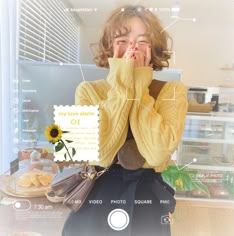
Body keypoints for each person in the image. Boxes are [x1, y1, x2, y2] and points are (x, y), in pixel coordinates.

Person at [62, 5, 188, 236]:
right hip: (96, 195)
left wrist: (139, 83)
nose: (133, 48)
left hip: (147, 198)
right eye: (122, 39)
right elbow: (97, 154)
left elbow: (158, 154)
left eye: (142, 41)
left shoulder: (173, 91)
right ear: (109, 45)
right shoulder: (87, 91)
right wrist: (123, 84)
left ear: (155, 48)